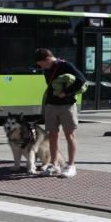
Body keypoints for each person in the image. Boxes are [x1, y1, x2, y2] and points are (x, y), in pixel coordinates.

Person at [35, 47, 86, 177]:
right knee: (52, 135)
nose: (42, 68)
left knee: (70, 135)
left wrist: (66, 92)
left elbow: (82, 80)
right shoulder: (47, 69)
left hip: (67, 105)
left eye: (42, 64)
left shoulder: (65, 65)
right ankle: (54, 165)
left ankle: (71, 166)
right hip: (51, 105)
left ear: (47, 59)